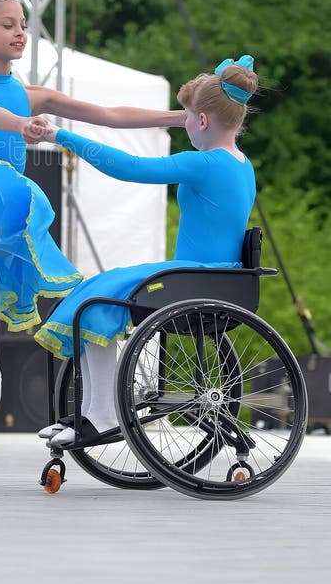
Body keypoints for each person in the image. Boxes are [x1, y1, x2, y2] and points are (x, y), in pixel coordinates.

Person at [0, 0, 186, 488]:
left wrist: (177, 117)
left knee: (22, 265)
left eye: (22, 26)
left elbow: (105, 115)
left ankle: (48, 380)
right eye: (7, 25)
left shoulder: (34, 93)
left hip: (10, 207)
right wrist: (22, 126)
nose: (19, 34)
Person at [33, 55, 259, 446]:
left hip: (194, 275)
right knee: (99, 289)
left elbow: (130, 167)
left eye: (187, 116)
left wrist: (59, 137)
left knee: (97, 297)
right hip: (220, 275)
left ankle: (101, 413)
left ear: (202, 121)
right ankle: (93, 411)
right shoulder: (243, 165)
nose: (184, 122)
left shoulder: (203, 163)